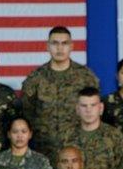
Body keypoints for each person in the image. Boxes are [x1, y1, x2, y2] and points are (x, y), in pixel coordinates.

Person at [21, 26, 99, 156]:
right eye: (55, 43)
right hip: (43, 152)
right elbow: (26, 114)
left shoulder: (86, 78)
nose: (60, 48)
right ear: (47, 46)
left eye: (64, 43)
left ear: (72, 46)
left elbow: (94, 115)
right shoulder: (35, 79)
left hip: (79, 151)